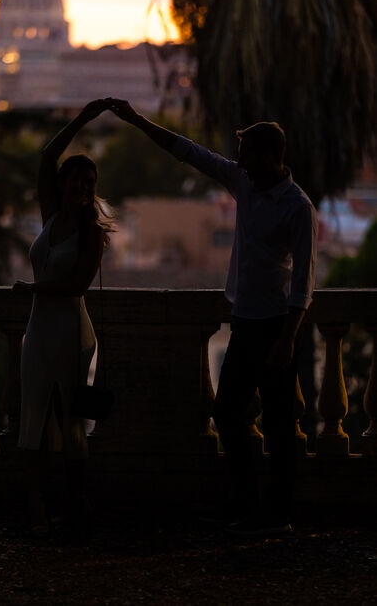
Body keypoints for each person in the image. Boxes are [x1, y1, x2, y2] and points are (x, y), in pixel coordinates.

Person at [105, 97, 318, 535]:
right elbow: (189, 151)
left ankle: (277, 515)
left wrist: (288, 337)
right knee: (228, 412)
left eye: (247, 155)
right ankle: (248, 505)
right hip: (246, 322)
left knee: (278, 424)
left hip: (276, 325)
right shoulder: (246, 183)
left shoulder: (298, 206)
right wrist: (136, 120)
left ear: (268, 156)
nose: (239, 162)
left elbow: (304, 280)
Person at [13, 99, 113, 538]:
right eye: (77, 178)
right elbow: (45, 156)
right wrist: (84, 117)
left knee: (71, 426)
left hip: (72, 332)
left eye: (90, 181)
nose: (83, 186)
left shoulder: (93, 234)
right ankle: (37, 514)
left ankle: (73, 510)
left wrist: (34, 289)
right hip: (40, 331)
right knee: (32, 419)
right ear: (64, 182)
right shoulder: (51, 217)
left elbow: (76, 286)